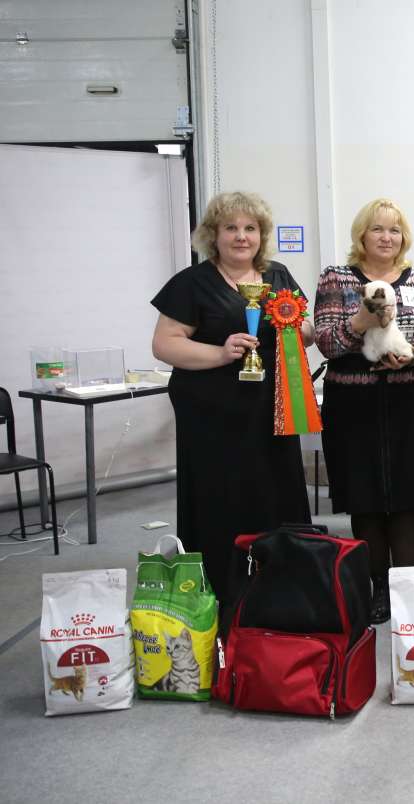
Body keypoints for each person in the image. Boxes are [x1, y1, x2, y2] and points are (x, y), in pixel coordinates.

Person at [151, 191, 312, 603]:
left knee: (276, 491)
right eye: (231, 228)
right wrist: (220, 353)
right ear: (214, 235)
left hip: (272, 410)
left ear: (261, 234)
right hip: (212, 415)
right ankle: (223, 589)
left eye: (250, 228)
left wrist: (299, 328)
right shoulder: (191, 283)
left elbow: (305, 332)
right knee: (221, 497)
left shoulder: (278, 275)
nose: (241, 236)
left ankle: (282, 586)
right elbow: (165, 344)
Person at [313, 198, 414, 624]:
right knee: (366, 500)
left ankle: (406, 587)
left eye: (394, 230)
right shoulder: (336, 278)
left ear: (403, 237)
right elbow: (325, 341)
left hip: (413, 405)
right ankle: (377, 590)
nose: (386, 237)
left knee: (409, 500)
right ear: (362, 235)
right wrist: (360, 323)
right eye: (377, 229)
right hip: (353, 406)